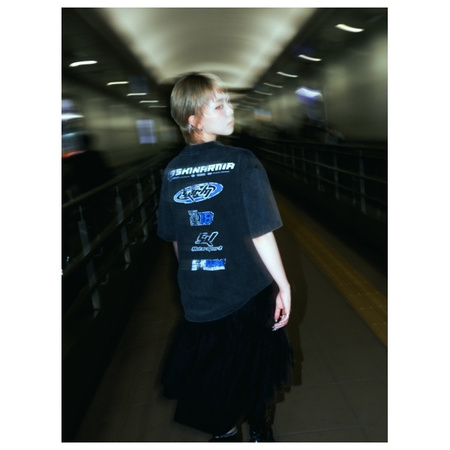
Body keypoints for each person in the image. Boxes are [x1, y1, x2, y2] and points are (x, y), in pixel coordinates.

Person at [157, 73, 292, 442]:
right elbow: (261, 231)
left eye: (228, 102)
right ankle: (260, 428)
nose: (230, 111)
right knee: (255, 367)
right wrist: (283, 285)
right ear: (194, 120)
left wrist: (194, 278)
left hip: (201, 299)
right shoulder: (242, 161)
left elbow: (177, 240)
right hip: (247, 291)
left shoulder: (172, 172)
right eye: (219, 106)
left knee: (214, 377)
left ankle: (226, 434)